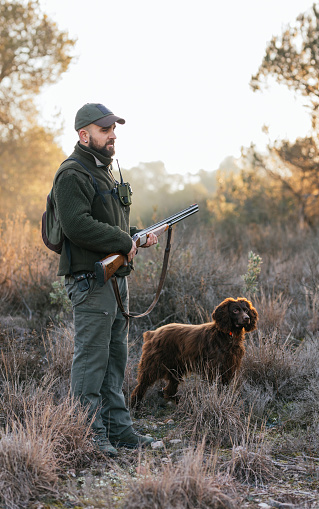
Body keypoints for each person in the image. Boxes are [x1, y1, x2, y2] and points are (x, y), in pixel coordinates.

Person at [54, 103, 158, 457]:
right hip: (90, 281)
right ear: (84, 135)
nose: (112, 135)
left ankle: (119, 430)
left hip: (114, 280)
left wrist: (136, 235)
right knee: (91, 361)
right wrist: (122, 241)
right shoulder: (72, 174)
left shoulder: (104, 172)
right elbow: (77, 225)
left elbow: (111, 229)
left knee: (115, 359)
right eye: (104, 129)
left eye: (113, 128)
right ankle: (88, 433)